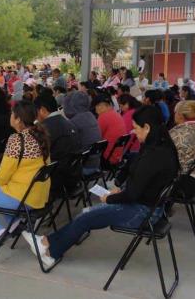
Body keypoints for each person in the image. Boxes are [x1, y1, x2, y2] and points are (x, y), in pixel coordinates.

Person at [21, 105, 179, 267]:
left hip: (143, 212)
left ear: (147, 127)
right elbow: (139, 180)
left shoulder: (154, 156)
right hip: (150, 207)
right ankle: (47, 243)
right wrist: (119, 188)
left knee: (87, 216)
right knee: (87, 214)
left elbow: (132, 194)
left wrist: (110, 198)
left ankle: (50, 251)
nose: (134, 132)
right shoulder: (163, 146)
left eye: (136, 128)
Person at [0, 100, 51, 253]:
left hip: (23, 197)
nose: (10, 117)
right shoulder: (41, 136)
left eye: (12, 114)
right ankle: (14, 224)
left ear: (18, 118)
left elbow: (1, 178)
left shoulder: (17, 140)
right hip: (39, 195)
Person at [34, 93, 80, 194]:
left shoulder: (45, 128)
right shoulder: (69, 123)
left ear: (42, 110)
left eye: (35, 112)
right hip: (74, 175)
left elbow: (36, 154)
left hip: (56, 179)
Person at [170, 100, 195, 197]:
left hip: (181, 183)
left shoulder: (179, 135)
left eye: (175, 112)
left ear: (180, 115)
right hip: (192, 178)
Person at [63, 90, 102, 174]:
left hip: (84, 167)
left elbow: (71, 147)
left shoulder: (74, 122)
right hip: (96, 163)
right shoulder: (91, 115)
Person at [94, 93, 127, 166]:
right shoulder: (116, 114)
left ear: (101, 106)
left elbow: (97, 137)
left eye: (96, 107)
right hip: (119, 155)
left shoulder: (103, 117)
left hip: (108, 157)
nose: (95, 110)